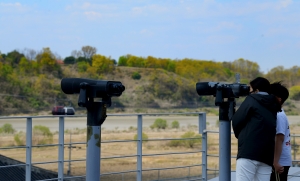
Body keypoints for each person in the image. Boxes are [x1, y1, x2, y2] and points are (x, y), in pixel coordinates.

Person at [232, 77, 281, 181]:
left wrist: (240, 135)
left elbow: (237, 119)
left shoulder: (251, 99)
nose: (248, 91)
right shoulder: (274, 104)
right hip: (267, 155)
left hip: (248, 151)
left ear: (257, 90)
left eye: (250, 88)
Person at [270, 82, 291, 181]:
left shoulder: (279, 115)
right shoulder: (276, 113)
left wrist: (275, 162)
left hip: (279, 162)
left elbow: (279, 138)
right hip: (278, 161)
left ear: (279, 99)